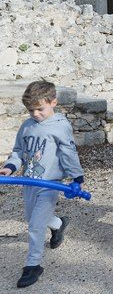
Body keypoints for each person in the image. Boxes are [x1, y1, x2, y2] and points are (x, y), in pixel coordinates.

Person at [1, 81, 85, 288]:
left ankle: (33, 265)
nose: (36, 114)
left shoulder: (60, 125)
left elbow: (68, 152)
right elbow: (18, 151)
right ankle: (58, 224)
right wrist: (9, 167)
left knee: (35, 225)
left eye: (40, 109)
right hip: (29, 181)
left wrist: (77, 178)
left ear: (53, 102)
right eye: (31, 110)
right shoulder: (27, 125)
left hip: (50, 183)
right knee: (32, 218)